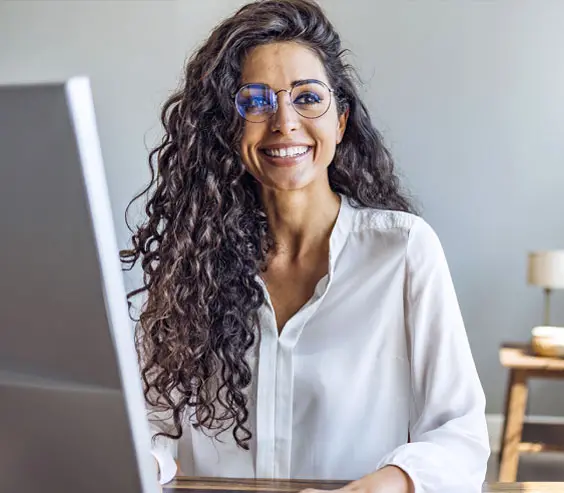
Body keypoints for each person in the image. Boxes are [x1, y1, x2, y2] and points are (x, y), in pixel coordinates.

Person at [120, 1, 490, 492]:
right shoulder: (192, 266)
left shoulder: (402, 251)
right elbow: (150, 426)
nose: (284, 122)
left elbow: (460, 435)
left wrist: (374, 488)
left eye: (308, 97)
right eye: (255, 101)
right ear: (228, 129)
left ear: (340, 120)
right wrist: (134, 462)